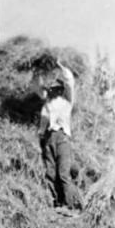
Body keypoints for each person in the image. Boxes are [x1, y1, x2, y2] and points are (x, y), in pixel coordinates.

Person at [37, 60, 83, 216]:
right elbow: (42, 126)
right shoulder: (47, 106)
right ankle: (55, 202)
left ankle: (69, 205)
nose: (54, 91)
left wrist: (63, 68)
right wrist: (41, 139)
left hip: (62, 138)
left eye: (57, 89)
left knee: (63, 173)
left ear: (61, 90)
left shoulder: (67, 102)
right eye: (52, 89)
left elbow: (70, 82)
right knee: (50, 173)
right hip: (49, 140)